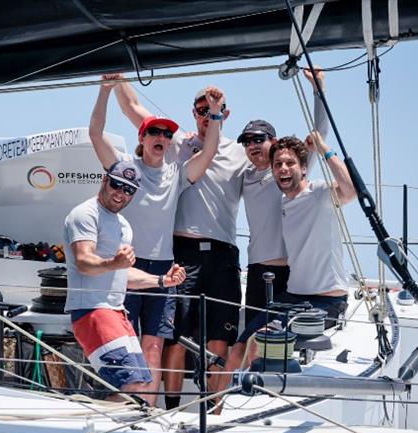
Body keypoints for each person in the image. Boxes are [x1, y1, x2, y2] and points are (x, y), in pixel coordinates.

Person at [113, 77, 249, 409]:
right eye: (202, 110)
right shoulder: (174, 143)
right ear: (194, 112)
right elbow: (133, 108)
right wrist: (116, 77)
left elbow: (277, 170)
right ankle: (170, 409)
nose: (207, 115)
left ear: (225, 114)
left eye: (215, 110)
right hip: (182, 252)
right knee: (174, 336)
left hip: (223, 253)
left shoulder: (239, 153)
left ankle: (213, 411)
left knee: (220, 338)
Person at [89, 74, 224, 407]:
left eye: (167, 133)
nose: (161, 137)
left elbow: (209, 151)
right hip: (127, 266)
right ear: (143, 137)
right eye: (154, 131)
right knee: (126, 341)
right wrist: (105, 91)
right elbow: (95, 134)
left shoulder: (176, 173)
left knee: (153, 345)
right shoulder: (125, 169)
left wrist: (216, 113)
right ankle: (127, 401)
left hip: (163, 270)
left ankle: (147, 409)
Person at [213, 132, 357, 407]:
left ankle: (245, 409)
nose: (283, 168)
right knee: (239, 347)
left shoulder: (319, 193)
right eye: (278, 164)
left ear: (304, 168)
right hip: (292, 297)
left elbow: (350, 190)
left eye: (290, 163)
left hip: (326, 302)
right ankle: (214, 412)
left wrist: (324, 148)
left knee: (259, 344)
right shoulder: (282, 202)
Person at [63, 160, 187, 405]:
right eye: (117, 185)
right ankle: (95, 426)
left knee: (143, 384)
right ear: (104, 181)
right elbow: (84, 261)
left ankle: (111, 426)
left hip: (117, 312)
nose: (121, 193)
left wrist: (162, 280)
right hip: (93, 311)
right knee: (131, 385)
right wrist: (112, 264)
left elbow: (122, 273)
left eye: (129, 189)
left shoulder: (124, 226)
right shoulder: (85, 213)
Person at [239, 68, 330, 326]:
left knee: (286, 338)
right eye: (246, 142)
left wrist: (318, 90)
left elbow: (320, 133)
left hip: (291, 273)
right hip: (257, 271)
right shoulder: (243, 176)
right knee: (253, 340)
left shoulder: (286, 170)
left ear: (273, 141)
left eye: (258, 139)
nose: (252, 145)